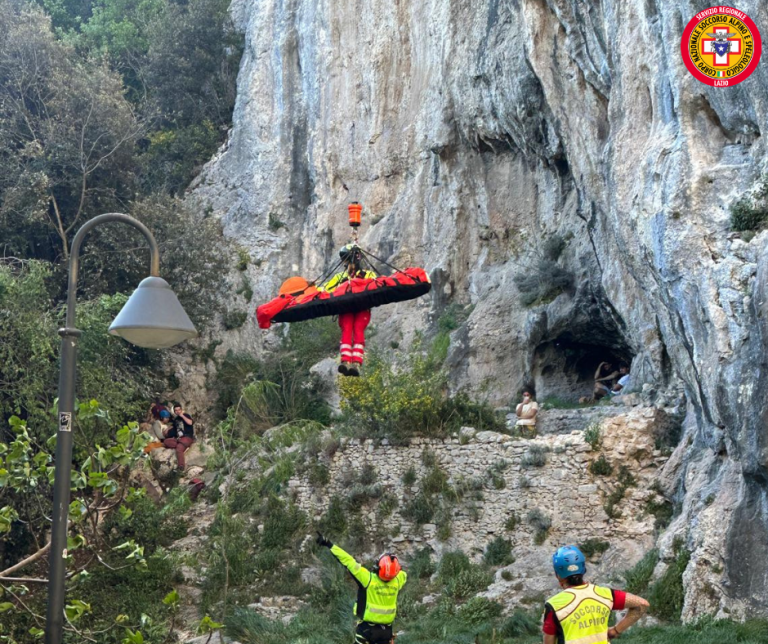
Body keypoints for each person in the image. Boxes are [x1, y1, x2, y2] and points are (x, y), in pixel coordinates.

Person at [543, 545, 649, 644]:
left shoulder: (554, 605)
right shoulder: (605, 594)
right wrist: (615, 631)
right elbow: (642, 604)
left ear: (558, 575)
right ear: (583, 569)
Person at [316, 532, 406, 644]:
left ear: (378, 568)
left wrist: (329, 544)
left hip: (366, 631)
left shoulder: (368, 579)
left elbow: (348, 561)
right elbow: (401, 572)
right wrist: (394, 565)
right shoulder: (398, 581)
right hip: (386, 632)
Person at [321, 243, 377, 377]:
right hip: (346, 307)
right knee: (347, 329)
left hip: (362, 307)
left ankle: (356, 363)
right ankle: (346, 361)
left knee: (357, 329)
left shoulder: (368, 274)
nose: (349, 262)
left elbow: (378, 286)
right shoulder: (340, 277)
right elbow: (325, 290)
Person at [163, 404, 195, 471]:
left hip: (187, 437)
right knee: (166, 442)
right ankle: (182, 445)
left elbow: (190, 423)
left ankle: (181, 466)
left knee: (179, 449)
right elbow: (174, 429)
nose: (178, 411)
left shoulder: (186, 415)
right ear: (174, 411)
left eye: (179, 410)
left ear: (181, 410)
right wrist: (168, 429)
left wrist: (182, 416)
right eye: (176, 410)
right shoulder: (176, 419)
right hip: (178, 439)